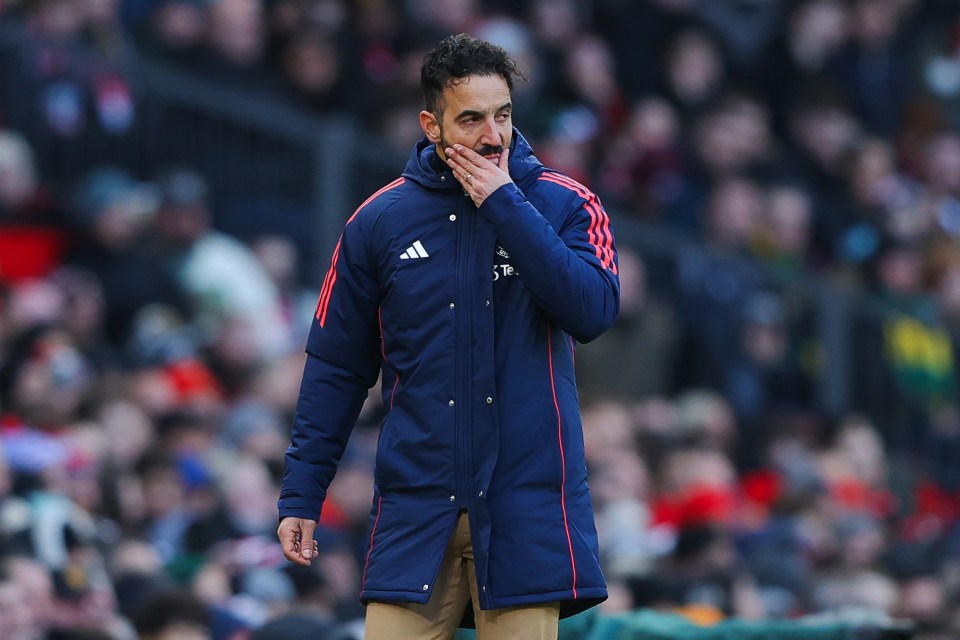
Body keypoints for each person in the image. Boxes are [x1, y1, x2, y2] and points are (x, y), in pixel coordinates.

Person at [276, 33, 620, 640]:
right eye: (472, 119)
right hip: (417, 510)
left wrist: (507, 204)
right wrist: (303, 495)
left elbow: (591, 311)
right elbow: (336, 366)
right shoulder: (378, 220)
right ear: (431, 125)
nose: (494, 136)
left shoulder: (565, 204)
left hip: (526, 511)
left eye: (504, 115)